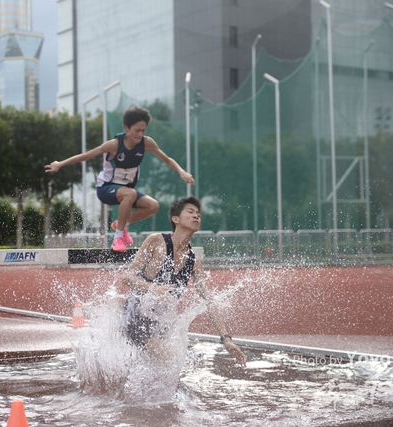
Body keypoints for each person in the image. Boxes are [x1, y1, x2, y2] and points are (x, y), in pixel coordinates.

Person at [45, 107, 195, 252]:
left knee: (153, 206)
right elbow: (87, 155)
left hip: (127, 192)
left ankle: (120, 224)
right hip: (105, 189)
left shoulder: (147, 143)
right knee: (130, 194)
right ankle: (117, 238)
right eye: (137, 130)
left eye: (143, 130)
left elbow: (167, 159)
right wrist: (61, 164)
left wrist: (181, 172)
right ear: (127, 128)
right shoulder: (114, 145)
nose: (140, 134)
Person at [120, 197, 247, 367]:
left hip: (161, 325)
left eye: (198, 214)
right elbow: (127, 277)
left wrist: (226, 339)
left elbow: (209, 300)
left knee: (157, 370)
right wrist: (152, 288)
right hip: (136, 316)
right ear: (176, 219)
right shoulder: (156, 241)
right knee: (169, 364)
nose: (196, 216)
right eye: (190, 212)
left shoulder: (193, 262)